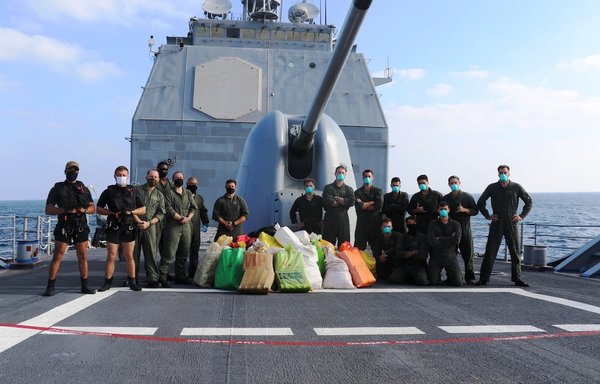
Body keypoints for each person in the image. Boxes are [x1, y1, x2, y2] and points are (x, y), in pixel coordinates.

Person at [43, 161, 96, 296]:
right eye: (70, 170)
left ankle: (85, 285)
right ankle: (50, 286)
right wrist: (64, 210)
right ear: (65, 171)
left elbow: (92, 208)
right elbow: (48, 209)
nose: (73, 172)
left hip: (80, 224)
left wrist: (82, 209)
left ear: (78, 172)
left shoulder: (83, 188)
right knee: (58, 254)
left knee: (82, 255)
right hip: (64, 224)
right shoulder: (57, 188)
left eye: (75, 170)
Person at [477, 165, 533, 287]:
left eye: (505, 172)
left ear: (509, 174)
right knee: (490, 251)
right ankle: (483, 279)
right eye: (501, 172)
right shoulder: (492, 187)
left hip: (511, 221)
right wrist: (488, 215)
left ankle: (517, 279)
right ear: (498, 174)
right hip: (497, 220)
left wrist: (521, 216)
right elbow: (480, 202)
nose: (503, 174)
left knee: (515, 251)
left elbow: (528, 202)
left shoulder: (516, 187)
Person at [96, 166, 146, 292]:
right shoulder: (108, 191)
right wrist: (111, 213)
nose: (121, 177)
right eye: (119, 175)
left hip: (128, 226)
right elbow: (99, 208)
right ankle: (107, 282)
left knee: (129, 256)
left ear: (127, 177)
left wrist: (132, 211)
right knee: (111, 255)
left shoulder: (133, 191)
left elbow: (143, 208)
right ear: (114, 176)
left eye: (124, 175)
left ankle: (132, 282)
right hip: (114, 226)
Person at [159, 171, 198, 285]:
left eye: (181, 177)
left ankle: (180, 277)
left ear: (183, 179)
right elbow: (168, 208)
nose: (179, 179)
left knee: (183, 253)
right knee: (169, 253)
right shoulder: (168, 193)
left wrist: (188, 218)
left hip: (186, 226)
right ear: (173, 179)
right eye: (176, 178)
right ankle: (162, 277)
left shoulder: (188, 193)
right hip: (173, 226)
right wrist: (180, 218)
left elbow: (193, 208)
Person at [443, 175, 479, 284]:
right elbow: (441, 211)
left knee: (468, 255)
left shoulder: (467, 197)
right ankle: (451, 277)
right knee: (450, 255)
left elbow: (475, 211)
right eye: (451, 183)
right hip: (451, 231)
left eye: (455, 182)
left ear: (459, 183)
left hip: (465, 229)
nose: (453, 184)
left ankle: (470, 277)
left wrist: (465, 210)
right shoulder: (446, 198)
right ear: (449, 184)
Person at [133, 169, 166, 288]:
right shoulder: (136, 190)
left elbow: (161, 213)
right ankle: (132, 278)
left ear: (159, 179)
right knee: (133, 254)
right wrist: (137, 220)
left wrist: (149, 223)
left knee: (151, 253)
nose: (153, 178)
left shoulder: (160, 195)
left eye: (156, 177)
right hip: (135, 225)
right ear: (146, 177)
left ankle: (152, 278)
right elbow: (130, 206)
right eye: (151, 176)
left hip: (150, 226)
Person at [427, 201, 462, 286]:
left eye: (445, 209)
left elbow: (456, 240)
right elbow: (431, 241)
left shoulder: (455, 224)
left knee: (458, 283)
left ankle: (450, 277)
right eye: (441, 209)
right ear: (438, 210)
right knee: (432, 282)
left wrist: (440, 238)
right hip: (436, 256)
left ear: (449, 210)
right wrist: (449, 239)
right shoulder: (433, 224)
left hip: (450, 256)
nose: (443, 211)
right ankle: (437, 277)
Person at [322, 165, 355, 247]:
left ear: (345, 174)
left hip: (343, 221)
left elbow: (351, 202)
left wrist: (337, 198)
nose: (341, 174)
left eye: (343, 173)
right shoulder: (328, 188)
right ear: (335, 173)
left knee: (344, 247)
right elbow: (328, 201)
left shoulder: (349, 189)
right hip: (330, 220)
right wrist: (344, 201)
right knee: (328, 247)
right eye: (339, 172)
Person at [391, 217, 429, 286]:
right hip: (406, 265)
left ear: (417, 224)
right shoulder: (402, 237)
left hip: (419, 266)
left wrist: (407, 253)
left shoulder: (423, 237)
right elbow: (399, 253)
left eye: (413, 223)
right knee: (393, 279)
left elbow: (423, 255)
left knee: (423, 281)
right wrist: (414, 252)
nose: (411, 225)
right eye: (409, 224)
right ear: (406, 225)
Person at [354, 169, 383, 250]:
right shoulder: (357, 192)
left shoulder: (378, 191)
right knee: (358, 250)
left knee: (376, 250)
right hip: (362, 225)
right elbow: (359, 206)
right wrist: (371, 202)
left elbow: (379, 205)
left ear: (372, 177)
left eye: (369, 176)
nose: (367, 178)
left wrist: (364, 205)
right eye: (365, 176)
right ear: (362, 178)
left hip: (375, 224)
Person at [186, 176, 210, 278]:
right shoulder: (183, 195)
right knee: (182, 250)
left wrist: (205, 222)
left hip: (195, 227)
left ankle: (193, 270)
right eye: (191, 184)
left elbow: (203, 211)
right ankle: (180, 272)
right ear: (187, 184)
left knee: (195, 249)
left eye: (195, 184)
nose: (194, 186)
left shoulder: (199, 198)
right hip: (184, 226)